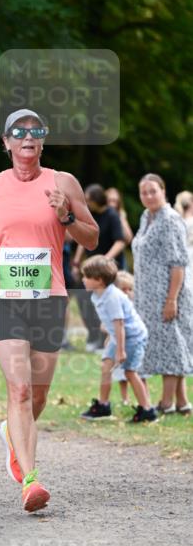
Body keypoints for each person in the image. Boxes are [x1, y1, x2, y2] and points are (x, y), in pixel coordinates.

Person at [0, 109, 98, 513]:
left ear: (43, 140)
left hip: (49, 298)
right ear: (5, 143)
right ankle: (31, 480)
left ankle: (12, 434)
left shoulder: (63, 183)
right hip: (4, 297)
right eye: (18, 132)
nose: (27, 137)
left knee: (38, 395)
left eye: (35, 131)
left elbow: (91, 238)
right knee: (18, 389)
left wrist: (67, 215)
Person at [132, 173, 193, 414]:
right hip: (147, 296)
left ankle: (166, 403)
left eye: (153, 191)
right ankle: (182, 402)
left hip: (169, 294)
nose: (148, 196)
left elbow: (178, 263)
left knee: (171, 346)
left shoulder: (170, 219)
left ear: (163, 191)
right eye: (144, 192)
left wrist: (171, 300)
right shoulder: (147, 216)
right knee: (167, 345)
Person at [79, 256, 155, 423]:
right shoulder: (97, 295)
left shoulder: (112, 297)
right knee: (106, 366)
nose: (82, 280)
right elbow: (112, 324)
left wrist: (120, 350)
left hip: (133, 337)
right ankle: (103, 406)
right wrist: (110, 339)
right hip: (119, 337)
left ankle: (147, 411)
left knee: (130, 372)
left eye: (86, 277)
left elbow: (119, 323)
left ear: (99, 280)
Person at [71, 184, 126, 351]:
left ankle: (106, 339)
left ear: (97, 199)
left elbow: (120, 241)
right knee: (83, 298)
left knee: (107, 303)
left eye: (89, 200)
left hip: (108, 268)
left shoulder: (112, 215)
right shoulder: (90, 215)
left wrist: (105, 260)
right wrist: (77, 261)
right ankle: (93, 336)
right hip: (91, 268)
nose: (87, 203)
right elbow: (84, 239)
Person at [112, 270, 137, 404]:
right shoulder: (112, 306)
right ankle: (125, 398)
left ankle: (144, 397)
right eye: (123, 289)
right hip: (119, 345)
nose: (127, 292)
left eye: (130, 289)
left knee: (137, 372)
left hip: (133, 343)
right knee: (121, 374)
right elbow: (105, 326)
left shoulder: (135, 307)